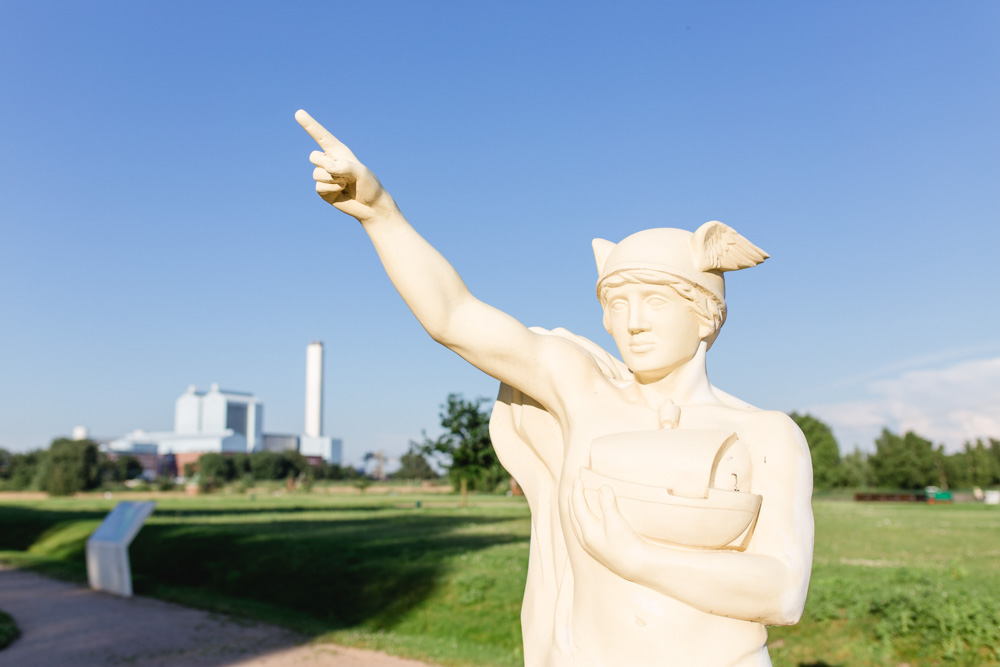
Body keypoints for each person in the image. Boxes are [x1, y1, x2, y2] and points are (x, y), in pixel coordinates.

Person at [296, 110, 813, 667]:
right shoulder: (580, 390)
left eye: (656, 301)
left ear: (707, 316)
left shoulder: (766, 435)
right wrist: (381, 214)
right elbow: (454, 316)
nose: (632, 322)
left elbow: (782, 592)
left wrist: (635, 556)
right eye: (617, 304)